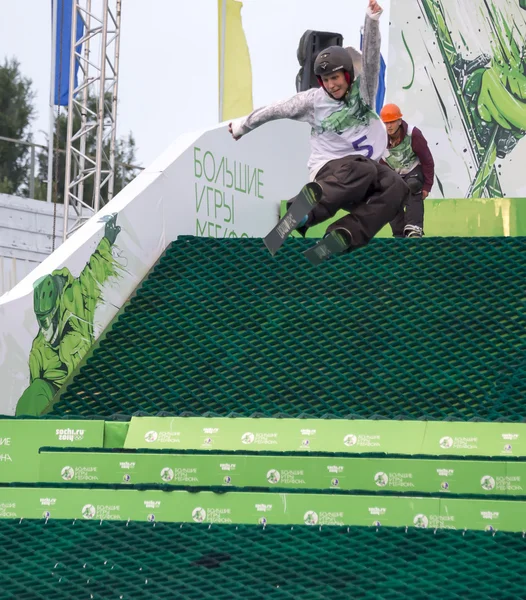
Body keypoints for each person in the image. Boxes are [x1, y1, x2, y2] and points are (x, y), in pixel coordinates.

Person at [229, 0, 409, 260]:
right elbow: (276, 109)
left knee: (396, 185)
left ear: (347, 75)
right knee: (364, 166)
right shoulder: (313, 101)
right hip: (330, 170)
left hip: (359, 179)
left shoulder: (364, 91)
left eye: (335, 78)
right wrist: (242, 125)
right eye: (326, 81)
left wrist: (372, 21)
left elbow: (371, 59)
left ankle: (343, 236)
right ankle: (301, 214)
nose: (331, 85)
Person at [379, 103, 435, 238]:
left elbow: (427, 160)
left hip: (413, 170)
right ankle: (399, 232)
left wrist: (427, 186)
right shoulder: (378, 137)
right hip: (393, 172)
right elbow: (378, 163)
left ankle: (414, 228)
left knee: (413, 185)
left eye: (392, 122)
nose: (389, 126)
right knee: (389, 194)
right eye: (386, 123)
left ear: (399, 121)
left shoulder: (413, 134)